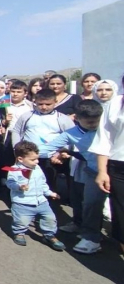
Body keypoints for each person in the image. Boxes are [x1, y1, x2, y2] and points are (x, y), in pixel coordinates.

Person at [41, 100, 103, 254]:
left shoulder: (106, 128)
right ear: (77, 119)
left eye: (96, 121)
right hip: (93, 172)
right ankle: (91, 238)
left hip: (115, 170)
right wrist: (25, 155)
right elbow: (46, 148)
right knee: (91, 204)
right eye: (89, 122)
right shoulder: (70, 133)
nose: (93, 125)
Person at [7, 141, 66, 251]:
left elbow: (43, 183)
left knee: (50, 218)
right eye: (33, 160)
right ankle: (19, 233)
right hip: (22, 203)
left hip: (41, 201)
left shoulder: (37, 168)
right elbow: (10, 183)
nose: (37, 161)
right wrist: (19, 186)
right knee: (21, 220)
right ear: (20, 159)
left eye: (37, 159)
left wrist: (49, 193)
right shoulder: (14, 169)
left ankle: (49, 235)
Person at [11, 88, 74, 189]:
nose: (44, 107)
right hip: (28, 157)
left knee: (49, 185)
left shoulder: (62, 119)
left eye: (48, 104)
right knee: (27, 182)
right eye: (40, 104)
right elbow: (16, 131)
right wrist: (17, 149)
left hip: (52, 158)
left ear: (55, 102)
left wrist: (60, 154)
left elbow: (71, 137)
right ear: (35, 102)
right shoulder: (27, 116)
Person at [92, 75, 124, 255]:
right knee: (121, 218)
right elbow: (104, 139)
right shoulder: (116, 104)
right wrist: (102, 171)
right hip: (119, 168)